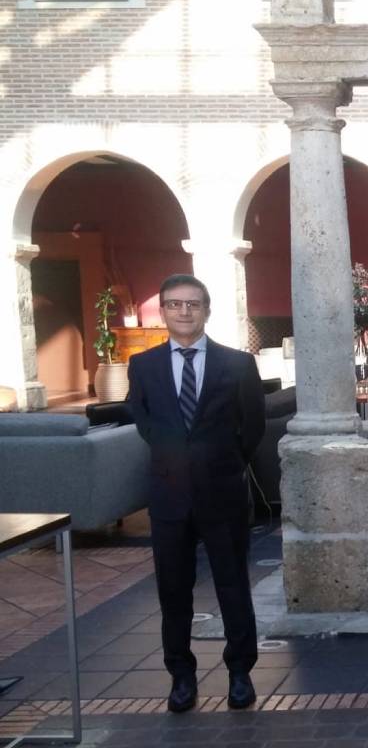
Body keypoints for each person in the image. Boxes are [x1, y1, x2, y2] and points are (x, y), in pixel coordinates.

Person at [126, 274, 266, 713]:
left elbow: (253, 426)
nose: (184, 312)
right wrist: (175, 459)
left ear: (207, 310)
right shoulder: (143, 366)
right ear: (163, 311)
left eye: (192, 304)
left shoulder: (238, 365)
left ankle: (240, 673)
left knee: (233, 586)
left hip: (222, 493)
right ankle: (181, 677)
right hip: (168, 498)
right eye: (174, 304)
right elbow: (146, 421)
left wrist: (221, 463)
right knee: (173, 590)